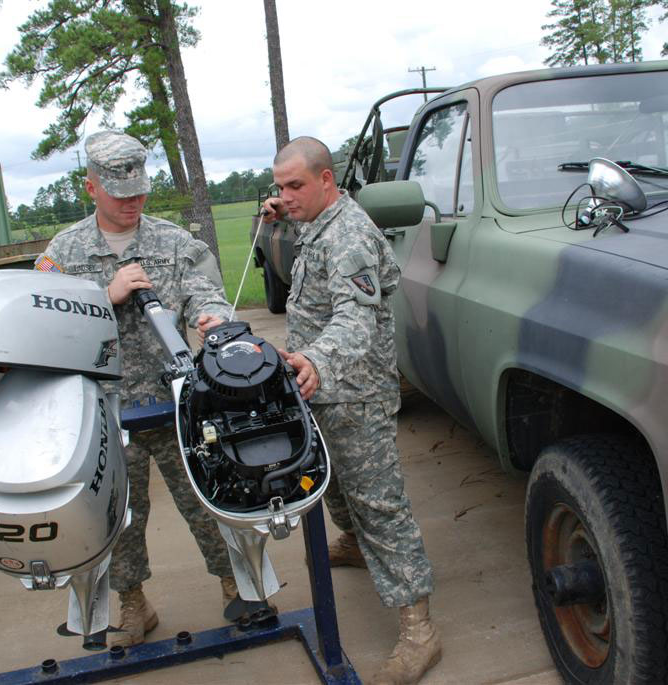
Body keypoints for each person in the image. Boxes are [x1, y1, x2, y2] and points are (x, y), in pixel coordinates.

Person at [35, 131, 237, 647]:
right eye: (120, 195)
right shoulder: (63, 252)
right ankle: (133, 604)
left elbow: (206, 293)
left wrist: (213, 319)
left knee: (208, 499)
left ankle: (237, 584)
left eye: (140, 193)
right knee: (119, 515)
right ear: (91, 188)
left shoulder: (174, 241)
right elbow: (44, 328)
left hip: (175, 403)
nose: (133, 203)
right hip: (107, 411)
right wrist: (106, 296)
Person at [261, 136, 440, 685]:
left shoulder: (350, 237)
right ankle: (356, 544)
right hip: (320, 390)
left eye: (295, 186)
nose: (285, 196)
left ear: (326, 180)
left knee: (379, 504)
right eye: (279, 187)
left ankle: (419, 630)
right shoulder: (315, 223)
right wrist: (279, 216)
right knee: (330, 484)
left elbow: (356, 320)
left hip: (355, 393)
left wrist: (317, 358)